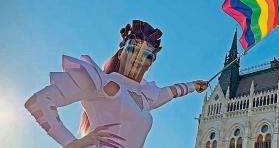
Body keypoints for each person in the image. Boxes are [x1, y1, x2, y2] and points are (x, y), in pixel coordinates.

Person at [24, 20, 209, 148]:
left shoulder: (146, 97)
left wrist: (194, 85)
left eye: (147, 55)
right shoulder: (101, 82)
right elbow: (39, 101)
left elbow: (172, 91)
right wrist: (71, 143)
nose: (139, 58)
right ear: (121, 53)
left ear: (151, 63)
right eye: (133, 49)